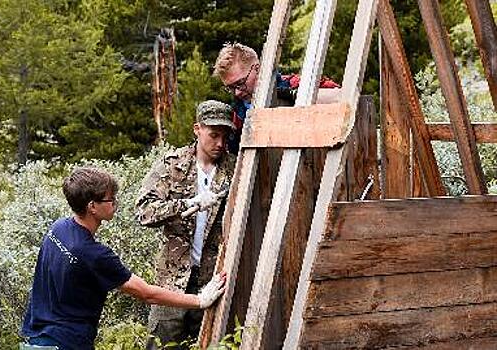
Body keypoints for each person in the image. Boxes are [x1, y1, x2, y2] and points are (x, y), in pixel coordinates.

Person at [20, 167, 226, 350]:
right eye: (110, 199)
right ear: (92, 206)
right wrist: (199, 300)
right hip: (67, 343)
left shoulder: (58, 228)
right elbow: (146, 293)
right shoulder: (94, 254)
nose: (115, 203)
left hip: (36, 338)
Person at [135, 100, 236, 348]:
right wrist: (187, 204)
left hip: (213, 281)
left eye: (224, 136)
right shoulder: (173, 165)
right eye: (214, 135)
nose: (220, 143)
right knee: (161, 344)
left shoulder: (234, 168)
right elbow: (143, 211)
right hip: (172, 281)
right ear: (197, 129)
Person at [213, 42, 341, 154]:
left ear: (257, 69)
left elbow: (340, 96)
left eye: (240, 83)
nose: (237, 93)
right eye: (230, 88)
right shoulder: (236, 117)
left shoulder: (295, 84)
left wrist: (294, 96)